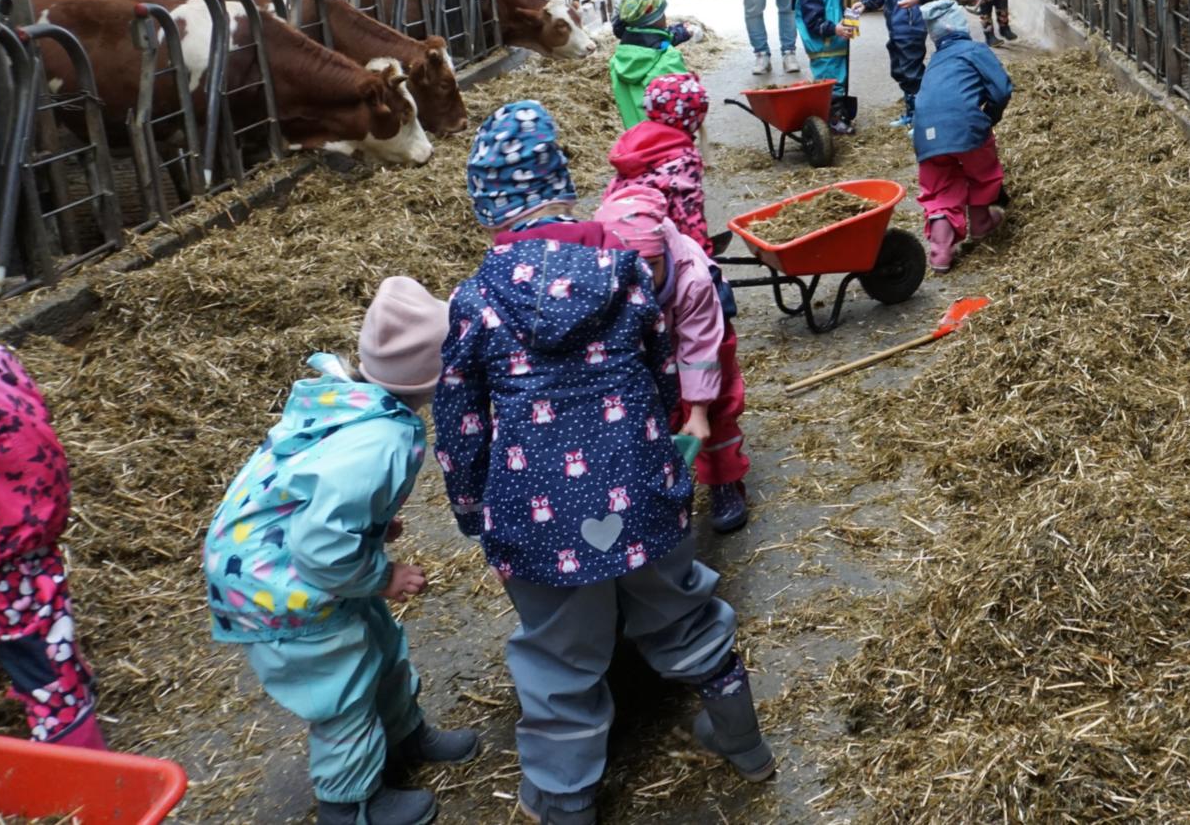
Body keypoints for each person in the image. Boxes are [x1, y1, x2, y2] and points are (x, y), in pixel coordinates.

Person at [438, 102, 773, 825]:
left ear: (490, 210)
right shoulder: (625, 271)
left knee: (559, 659)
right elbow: (660, 375)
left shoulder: (475, 299)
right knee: (681, 612)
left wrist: (471, 508)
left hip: (538, 515)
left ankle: (564, 800)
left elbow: (461, 422)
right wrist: (665, 458)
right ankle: (745, 742)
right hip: (642, 490)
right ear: (563, 189)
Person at [205, 278, 479, 825]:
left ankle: (404, 739)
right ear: (435, 377)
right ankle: (350, 805)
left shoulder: (352, 398)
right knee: (343, 690)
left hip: (290, 561)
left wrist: (372, 523)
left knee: (382, 645)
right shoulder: (381, 441)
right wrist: (381, 575)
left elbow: (316, 489)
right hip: (279, 586)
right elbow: (322, 544)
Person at [0, 325, 104, 751]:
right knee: (24, 601)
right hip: (22, 487)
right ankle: (62, 674)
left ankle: (75, 747)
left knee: (28, 634)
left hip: (2, 517)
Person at [595, 187, 752, 534]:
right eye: (630, 271)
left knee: (716, 410)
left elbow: (699, 349)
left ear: (664, 253)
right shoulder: (605, 277)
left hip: (704, 336)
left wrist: (697, 409)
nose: (643, 280)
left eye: (651, 267)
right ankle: (666, 480)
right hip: (657, 337)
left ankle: (724, 480)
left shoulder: (691, 279)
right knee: (658, 410)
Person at [912, 0, 1014, 273]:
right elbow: (1001, 90)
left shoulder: (935, 62)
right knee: (981, 171)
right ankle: (980, 223)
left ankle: (941, 251)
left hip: (925, 135)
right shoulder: (974, 50)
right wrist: (989, 117)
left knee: (940, 185)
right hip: (966, 127)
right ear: (959, 25)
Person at [603, 72, 711, 253]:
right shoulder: (683, 158)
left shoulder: (635, 143)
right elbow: (688, 215)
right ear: (695, 118)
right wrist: (704, 258)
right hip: (655, 245)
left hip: (615, 236)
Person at [793, 0, 855, 135]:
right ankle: (832, 119)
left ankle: (839, 115)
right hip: (824, 50)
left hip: (836, 46)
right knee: (831, 85)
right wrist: (835, 28)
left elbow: (837, 9)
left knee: (841, 81)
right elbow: (814, 24)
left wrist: (849, 17)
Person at [608, 0, 690, 130]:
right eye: (662, 14)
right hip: (669, 141)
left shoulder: (616, 61)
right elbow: (686, 101)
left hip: (638, 141)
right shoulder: (668, 58)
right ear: (655, 19)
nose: (665, 18)